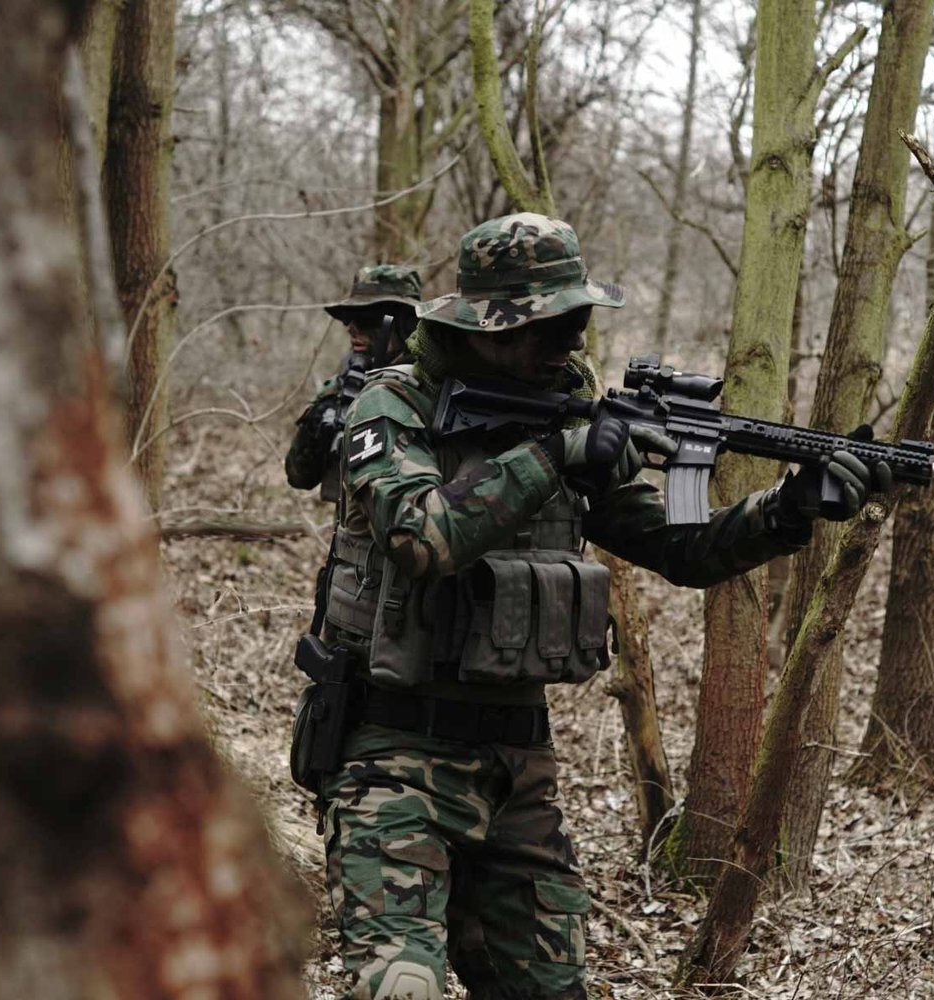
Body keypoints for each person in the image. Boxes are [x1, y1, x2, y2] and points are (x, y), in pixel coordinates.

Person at [316, 213, 890, 1000]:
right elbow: (420, 535)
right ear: (490, 324)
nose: (571, 341)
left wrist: (790, 508)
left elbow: (683, 549)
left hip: (516, 769)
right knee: (399, 986)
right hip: (391, 757)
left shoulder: (567, 411)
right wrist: (555, 455)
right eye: (550, 324)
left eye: (577, 320)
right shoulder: (395, 404)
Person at [285, 264, 421, 499]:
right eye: (349, 318)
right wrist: (317, 430)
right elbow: (298, 477)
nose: (351, 328)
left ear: (404, 324)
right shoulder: (341, 388)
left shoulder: (434, 387)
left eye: (365, 319)